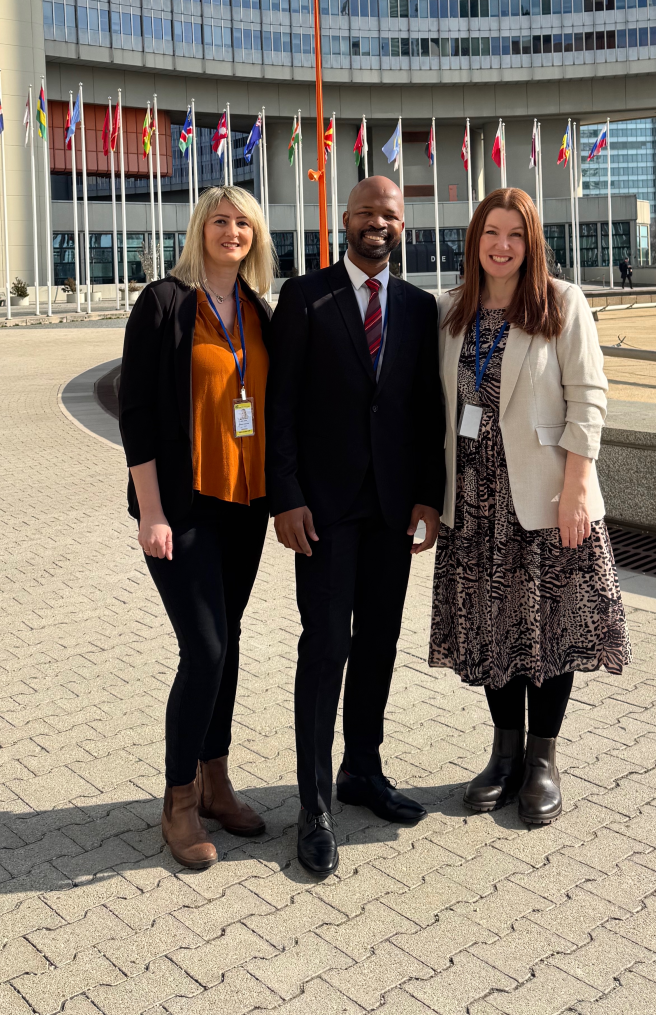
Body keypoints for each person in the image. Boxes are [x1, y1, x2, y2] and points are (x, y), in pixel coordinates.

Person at [430, 187, 631, 828]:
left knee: (548, 629)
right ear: (475, 240)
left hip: (545, 494)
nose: (502, 245)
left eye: (515, 234)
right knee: (493, 626)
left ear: (532, 243)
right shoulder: (450, 310)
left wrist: (577, 488)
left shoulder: (560, 303)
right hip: (473, 498)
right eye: (491, 232)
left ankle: (542, 759)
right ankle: (504, 755)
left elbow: (589, 396)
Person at [267, 176, 446, 878]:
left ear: (403, 224)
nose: (378, 222)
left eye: (389, 214)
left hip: (393, 511)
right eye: (367, 212)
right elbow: (280, 407)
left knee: (378, 643)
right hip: (323, 510)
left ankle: (362, 771)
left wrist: (428, 497)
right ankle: (313, 805)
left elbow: (426, 409)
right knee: (325, 648)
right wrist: (285, 497)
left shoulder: (419, 306)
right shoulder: (305, 297)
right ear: (345, 220)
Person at [118, 186, 275, 871]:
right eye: (220, 221)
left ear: (255, 236)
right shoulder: (163, 302)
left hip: (246, 505)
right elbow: (136, 414)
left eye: (243, 223)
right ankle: (179, 799)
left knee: (229, 642)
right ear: (199, 230)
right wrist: (151, 510)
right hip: (183, 509)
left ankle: (217, 781)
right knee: (205, 648)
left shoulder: (259, 311)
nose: (231, 231)